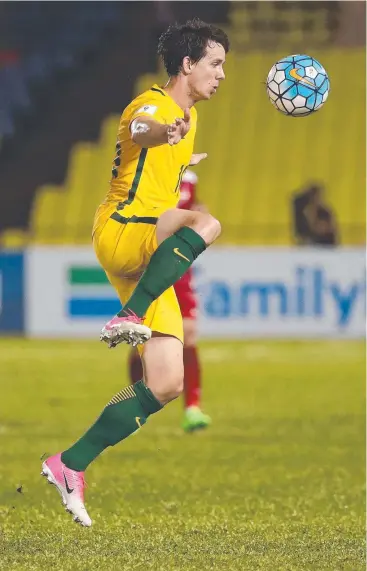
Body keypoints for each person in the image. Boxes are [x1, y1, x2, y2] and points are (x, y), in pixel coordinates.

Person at [41, 18, 229, 527]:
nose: (221, 74)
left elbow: (162, 158)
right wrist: (160, 132)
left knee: (166, 383)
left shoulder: (188, 122)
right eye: (214, 63)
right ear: (186, 65)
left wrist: (181, 147)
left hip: (146, 250)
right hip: (126, 230)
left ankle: (69, 463)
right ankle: (131, 312)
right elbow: (141, 127)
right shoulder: (155, 105)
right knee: (206, 222)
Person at [128, 169, 211, 433]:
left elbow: (194, 211)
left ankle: (192, 409)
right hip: (147, 265)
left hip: (179, 264)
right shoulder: (144, 174)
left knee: (188, 332)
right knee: (142, 337)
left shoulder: (189, 178)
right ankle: (138, 405)